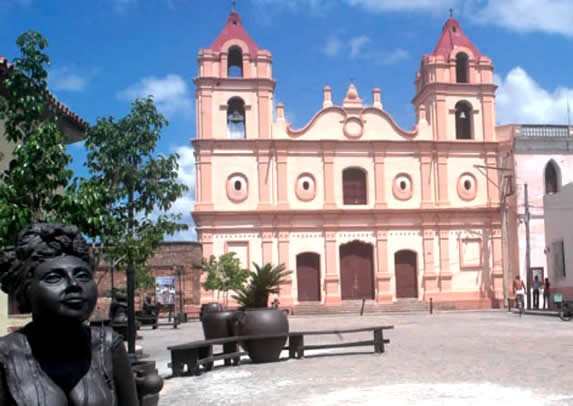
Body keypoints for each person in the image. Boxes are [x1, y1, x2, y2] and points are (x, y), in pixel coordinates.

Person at [0, 223, 140, 405]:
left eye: (82, 275)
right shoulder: (6, 354)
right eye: (54, 278)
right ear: (26, 288)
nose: (74, 284)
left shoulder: (107, 346)